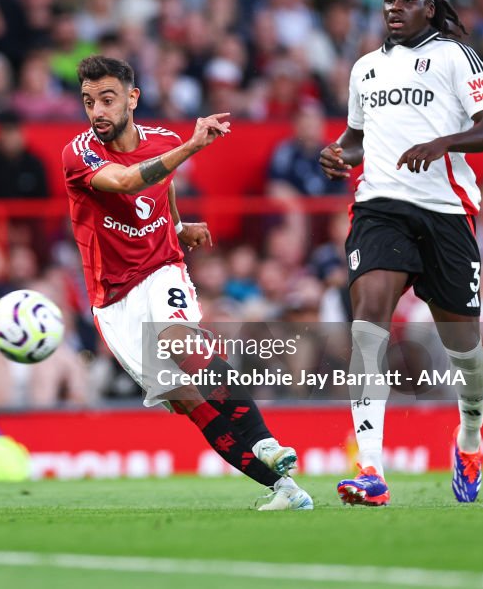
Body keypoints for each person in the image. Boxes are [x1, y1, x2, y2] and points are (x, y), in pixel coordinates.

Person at [63, 55, 313, 511]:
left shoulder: (161, 140)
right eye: (88, 101)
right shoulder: (79, 153)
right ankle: (285, 490)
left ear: (132, 99)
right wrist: (193, 146)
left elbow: (164, 180)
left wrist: (176, 228)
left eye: (107, 99)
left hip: (161, 269)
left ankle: (266, 443)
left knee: (183, 344)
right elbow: (123, 182)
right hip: (112, 301)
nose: (97, 111)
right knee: (189, 402)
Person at [320, 0, 483, 506]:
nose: (395, 8)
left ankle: (469, 438)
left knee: (465, 353)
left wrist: (441, 142)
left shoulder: (455, 55)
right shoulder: (365, 69)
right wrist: (339, 153)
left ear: (430, 7)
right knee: (367, 324)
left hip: (446, 214)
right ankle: (371, 468)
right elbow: (358, 139)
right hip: (381, 209)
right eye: (388, 0)